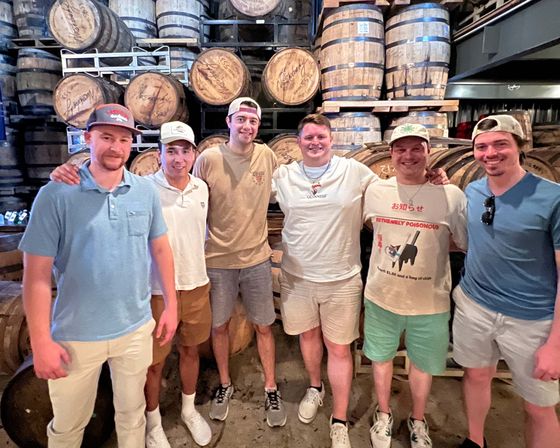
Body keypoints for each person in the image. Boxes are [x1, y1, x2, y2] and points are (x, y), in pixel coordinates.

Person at [20, 103, 178, 448]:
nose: (115, 147)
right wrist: (41, 341)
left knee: (132, 415)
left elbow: (161, 250)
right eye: (106, 137)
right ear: (87, 137)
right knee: (67, 427)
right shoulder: (56, 195)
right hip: (76, 335)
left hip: (135, 329)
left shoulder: (144, 191)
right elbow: (36, 276)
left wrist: (171, 305)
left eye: (123, 139)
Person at [50, 121, 214, 447]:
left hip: (196, 284)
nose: (178, 158)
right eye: (171, 151)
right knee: (152, 365)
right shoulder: (142, 187)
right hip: (152, 291)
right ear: (159, 154)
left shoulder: (202, 189)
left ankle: (188, 409)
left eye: (185, 151)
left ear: (194, 154)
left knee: (190, 351)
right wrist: (62, 175)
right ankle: (152, 422)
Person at [452, 115, 560, 448]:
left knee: (538, 406)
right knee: (476, 375)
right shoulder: (473, 189)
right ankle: (475, 439)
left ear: (520, 147)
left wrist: (555, 345)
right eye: (482, 147)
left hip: (531, 319)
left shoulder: (552, 198)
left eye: (501, 144)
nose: (490, 153)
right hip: (474, 306)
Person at [272, 113, 377, 448]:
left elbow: (392, 188)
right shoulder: (284, 175)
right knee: (308, 336)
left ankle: (340, 418)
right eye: (308, 138)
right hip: (298, 277)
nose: (315, 143)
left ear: (332, 140)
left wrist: (432, 179)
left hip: (341, 278)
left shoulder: (354, 171)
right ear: (298, 142)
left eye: (321, 137)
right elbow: (247, 192)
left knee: (339, 348)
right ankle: (315, 387)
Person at [362, 123, 467, 448]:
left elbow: (461, 242)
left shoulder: (451, 195)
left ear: (428, 151)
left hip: (430, 301)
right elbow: (372, 229)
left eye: (416, 148)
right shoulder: (377, 191)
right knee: (381, 360)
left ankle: (417, 420)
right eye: (401, 149)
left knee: (423, 365)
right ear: (391, 154)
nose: (408, 156)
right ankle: (383, 415)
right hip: (381, 295)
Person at [192, 97, 287, 427]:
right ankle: (225, 384)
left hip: (257, 258)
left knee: (264, 325)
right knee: (219, 326)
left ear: (258, 126)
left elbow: (291, 187)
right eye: (241, 119)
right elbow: (190, 201)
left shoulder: (267, 155)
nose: (247, 126)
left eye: (253, 121)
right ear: (229, 121)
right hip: (217, 260)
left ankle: (271, 387)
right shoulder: (207, 159)